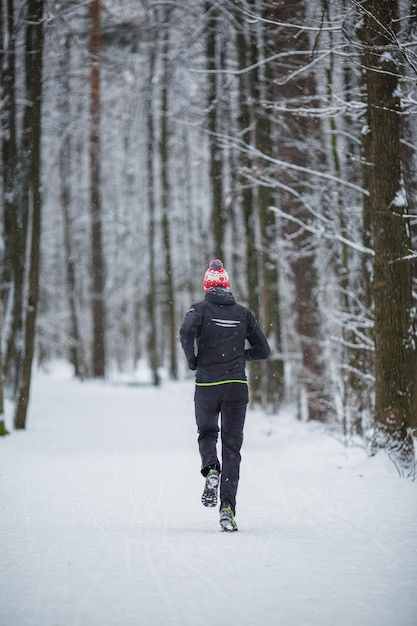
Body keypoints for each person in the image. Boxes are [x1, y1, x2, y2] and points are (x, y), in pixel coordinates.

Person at [180, 259, 270, 532]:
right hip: (235, 386)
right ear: (228, 286)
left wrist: (194, 359)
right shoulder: (243, 314)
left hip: (207, 385)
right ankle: (227, 510)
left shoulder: (198, 310)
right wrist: (239, 356)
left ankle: (211, 470)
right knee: (232, 448)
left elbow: (186, 332)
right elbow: (263, 350)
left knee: (207, 434)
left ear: (207, 286)